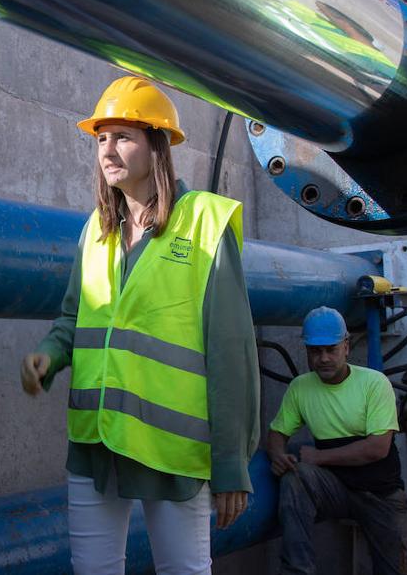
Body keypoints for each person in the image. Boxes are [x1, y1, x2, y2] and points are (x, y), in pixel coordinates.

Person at [20, 76, 260, 575]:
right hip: (95, 442)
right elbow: (74, 317)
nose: (108, 150)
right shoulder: (96, 230)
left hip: (170, 449)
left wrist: (232, 463)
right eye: (101, 138)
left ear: (158, 147)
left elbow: (231, 350)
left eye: (123, 137)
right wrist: (50, 353)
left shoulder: (204, 223)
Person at [267, 306, 407, 575]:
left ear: (346, 346)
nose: (323, 358)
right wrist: (277, 454)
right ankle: (297, 571)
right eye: (315, 351)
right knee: (295, 478)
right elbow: (277, 433)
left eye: (330, 349)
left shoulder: (374, 383)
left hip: (380, 493)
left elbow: (377, 448)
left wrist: (319, 457)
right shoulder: (300, 387)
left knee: (396, 570)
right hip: (335, 488)